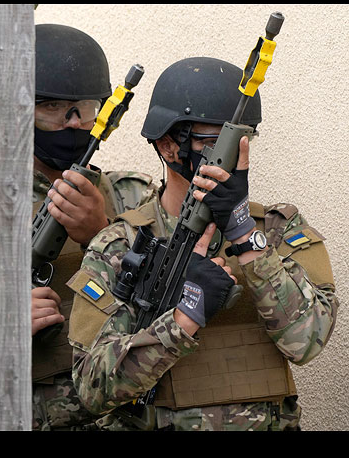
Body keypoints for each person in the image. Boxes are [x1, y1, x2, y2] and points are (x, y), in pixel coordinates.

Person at [66, 56, 339, 431]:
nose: (232, 159)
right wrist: (182, 320)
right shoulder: (121, 243)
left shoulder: (277, 228)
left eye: (242, 143)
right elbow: (90, 388)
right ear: (168, 146)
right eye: (215, 143)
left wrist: (245, 235)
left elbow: (306, 341)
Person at [30, 24, 157, 430]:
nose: (73, 122)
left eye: (86, 108)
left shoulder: (133, 195)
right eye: (52, 107)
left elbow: (176, 302)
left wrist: (102, 234)